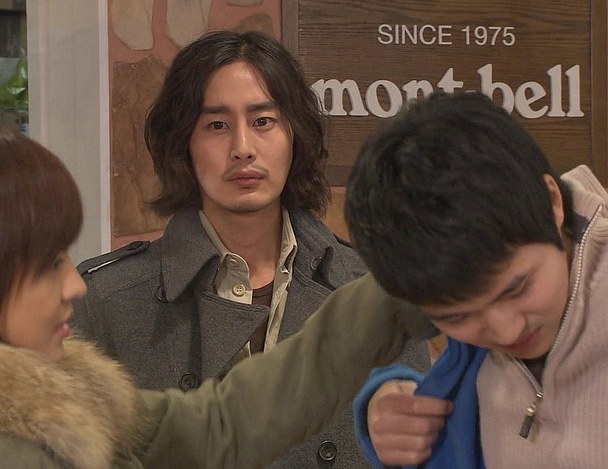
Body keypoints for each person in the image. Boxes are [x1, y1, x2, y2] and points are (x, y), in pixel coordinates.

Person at [0, 124, 437, 469]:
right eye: (48, 266)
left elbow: (222, 422)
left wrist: (403, 286)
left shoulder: (60, 399)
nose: (75, 285)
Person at [72, 30, 429, 468]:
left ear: (295, 134)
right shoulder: (106, 301)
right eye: (217, 126)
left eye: (263, 122)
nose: (242, 149)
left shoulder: (374, 289)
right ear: (183, 144)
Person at [345, 91, 608, 468]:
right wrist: (383, 405)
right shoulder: (467, 363)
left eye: (517, 288)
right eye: (457, 317)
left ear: (552, 202)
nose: (506, 331)